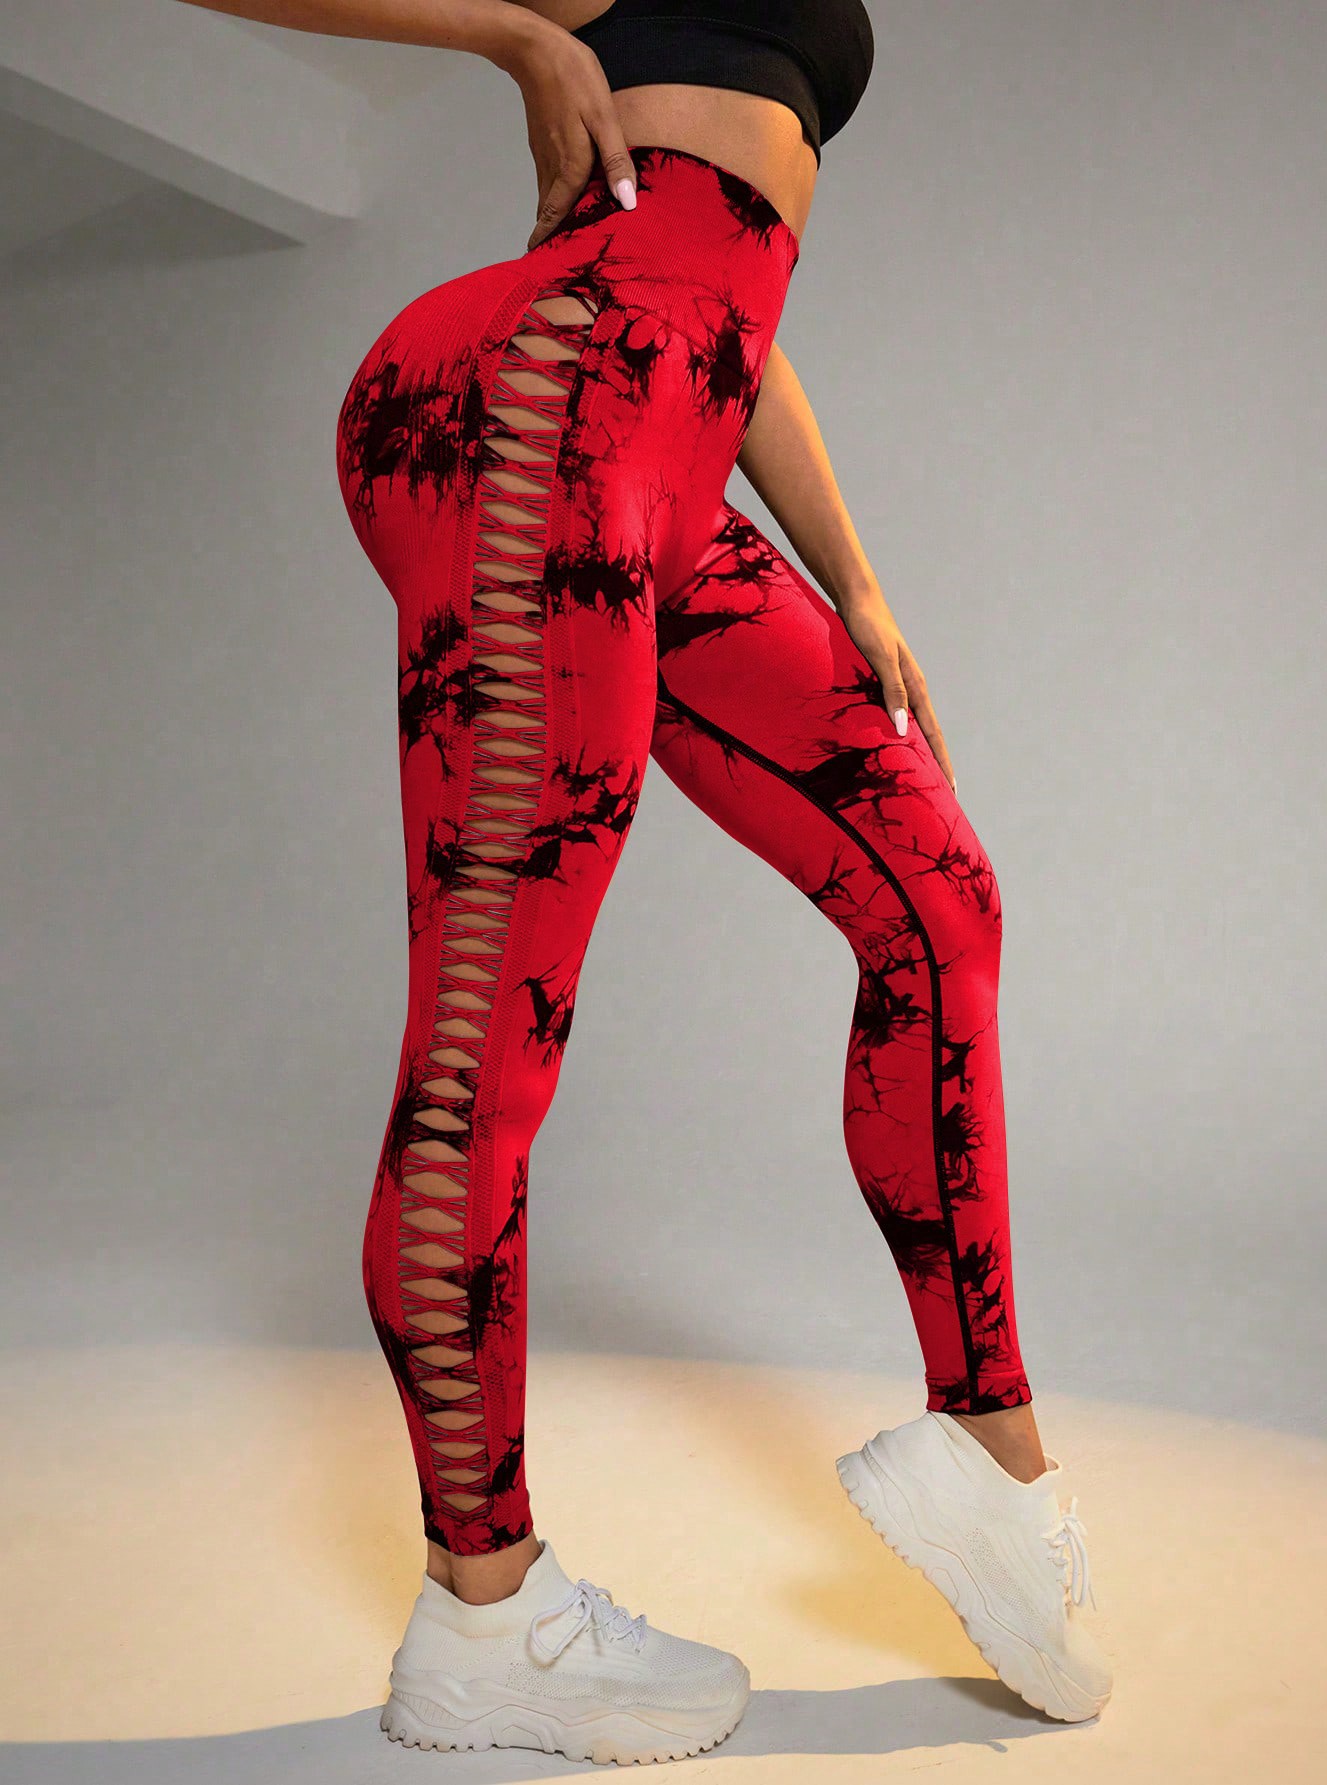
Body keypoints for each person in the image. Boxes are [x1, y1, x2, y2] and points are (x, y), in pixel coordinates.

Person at [187, 0, 1113, 1760]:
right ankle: (483, 1609)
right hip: (553, 402)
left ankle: (988, 1454)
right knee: (489, 1043)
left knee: (940, 903)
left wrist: (853, 578)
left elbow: (726, 297)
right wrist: (514, 40)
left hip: (659, 434)